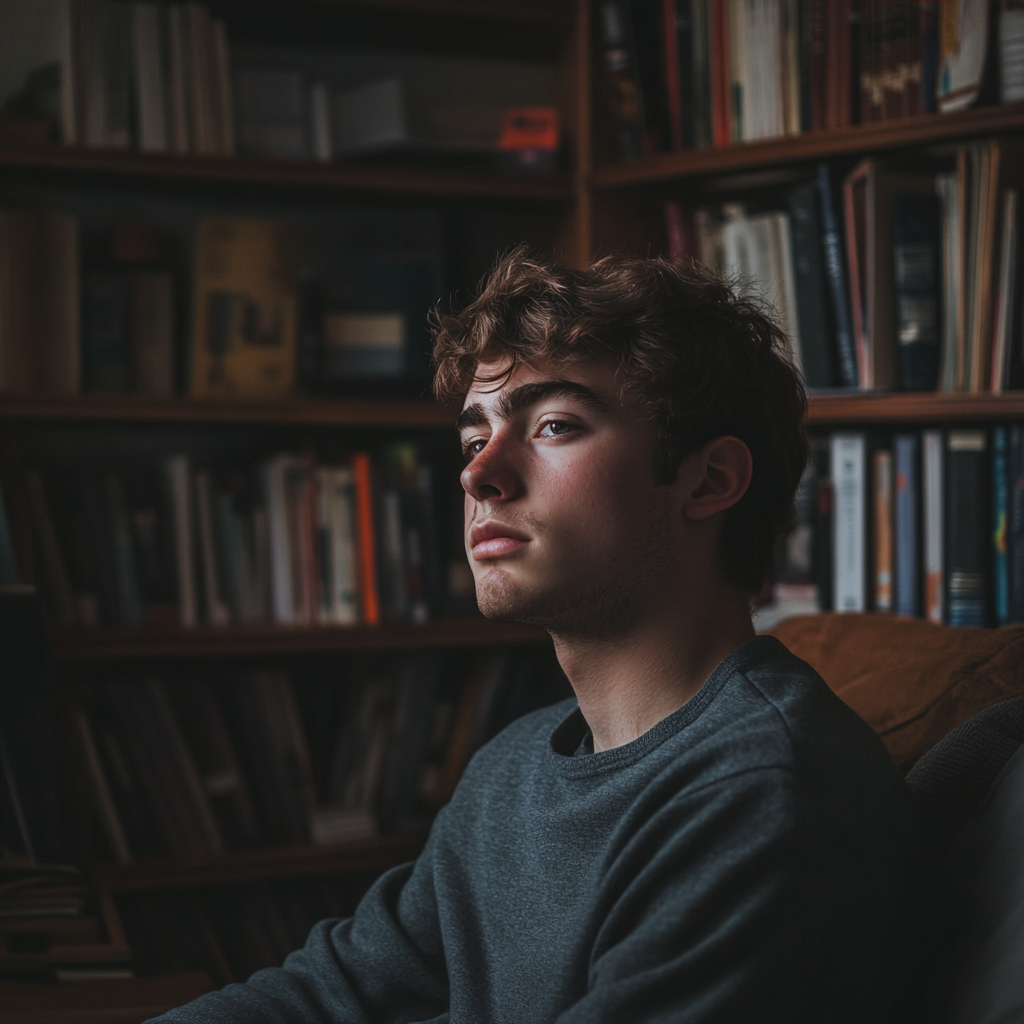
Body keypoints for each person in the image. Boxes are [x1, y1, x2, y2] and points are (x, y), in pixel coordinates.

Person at [151, 250, 920, 1024]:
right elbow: (331, 995)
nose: (479, 474)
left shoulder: (757, 797)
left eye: (553, 425)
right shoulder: (514, 768)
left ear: (710, 479)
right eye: (473, 436)